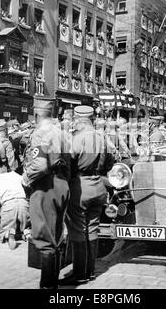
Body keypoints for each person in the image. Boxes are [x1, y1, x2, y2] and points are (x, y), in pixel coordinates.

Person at [59, 106, 114, 286]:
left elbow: (68, 164)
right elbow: (109, 163)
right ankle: (90, 272)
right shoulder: (102, 137)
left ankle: (80, 274)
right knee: (92, 229)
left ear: (78, 119)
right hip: (98, 185)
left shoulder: (77, 138)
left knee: (77, 231)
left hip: (80, 187)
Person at [22, 97, 71, 290]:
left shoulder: (40, 133)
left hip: (45, 186)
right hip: (61, 184)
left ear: (36, 114)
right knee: (56, 234)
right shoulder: (62, 132)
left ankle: (48, 287)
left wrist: (26, 178)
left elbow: (40, 165)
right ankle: (53, 283)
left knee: (44, 237)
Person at [0, 165, 30, 250]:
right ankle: (27, 232)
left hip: (8, 205)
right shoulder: (13, 174)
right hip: (23, 203)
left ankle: (9, 234)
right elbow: (26, 183)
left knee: (4, 230)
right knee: (26, 224)